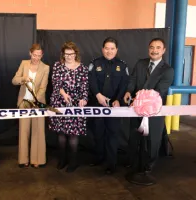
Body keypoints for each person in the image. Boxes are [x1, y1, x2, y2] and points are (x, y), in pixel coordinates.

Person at [123, 38, 174, 173]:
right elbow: (133, 79)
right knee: (134, 137)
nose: (154, 50)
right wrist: (128, 91)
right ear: (148, 49)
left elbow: (158, 92)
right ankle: (133, 162)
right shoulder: (140, 63)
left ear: (163, 50)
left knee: (153, 140)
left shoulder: (168, 70)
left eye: (158, 47)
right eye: (152, 47)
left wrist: (139, 98)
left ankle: (149, 165)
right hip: (136, 109)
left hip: (154, 111)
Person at [88, 37, 129, 174]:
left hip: (114, 107)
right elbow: (91, 81)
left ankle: (112, 164)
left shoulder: (122, 65)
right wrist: (98, 95)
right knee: (98, 133)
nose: (109, 51)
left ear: (116, 50)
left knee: (112, 134)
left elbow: (124, 85)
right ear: (102, 49)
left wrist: (118, 100)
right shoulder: (95, 63)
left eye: (112, 48)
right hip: (97, 105)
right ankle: (99, 158)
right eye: (107, 48)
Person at [49, 41, 89, 173]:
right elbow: (55, 83)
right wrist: (64, 94)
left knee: (73, 135)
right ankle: (62, 159)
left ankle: (73, 161)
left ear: (76, 53)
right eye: (66, 54)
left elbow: (85, 86)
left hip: (76, 104)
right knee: (61, 134)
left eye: (71, 54)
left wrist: (83, 98)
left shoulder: (83, 68)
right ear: (63, 54)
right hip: (60, 102)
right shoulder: (57, 66)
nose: (69, 56)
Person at [12, 43, 50, 168]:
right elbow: (14, 80)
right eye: (34, 55)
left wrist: (35, 101)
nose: (36, 58)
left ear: (42, 55)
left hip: (38, 103)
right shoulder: (24, 64)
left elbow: (43, 88)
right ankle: (23, 160)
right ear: (30, 53)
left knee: (38, 131)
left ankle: (37, 159)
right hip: (23, 102)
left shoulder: (45, 68)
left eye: (39, 55)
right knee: (23, 131)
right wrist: (23, 78)